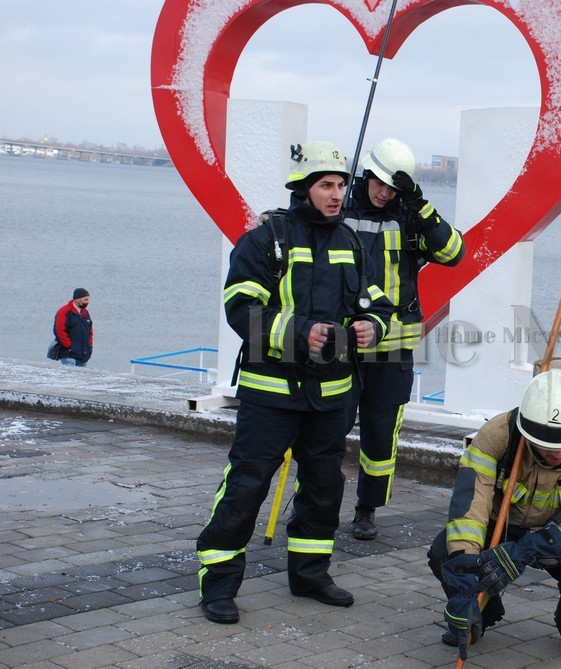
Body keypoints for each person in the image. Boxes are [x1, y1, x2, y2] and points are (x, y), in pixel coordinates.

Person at [195, 141, 393, 625]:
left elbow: (377, 303)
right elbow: (241, 310)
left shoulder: (351, 242)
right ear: (302, 188)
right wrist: (303, 332)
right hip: (271, 394)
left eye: (341, 184)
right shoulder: (265, 239)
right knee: (246, 486)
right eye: (327, 184)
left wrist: (374, 327)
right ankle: (218, 583)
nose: (337, 193)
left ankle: (309, 574)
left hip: (331, 397)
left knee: (324, 488)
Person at [427, 367, 561, 661]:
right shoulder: (497, 434)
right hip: (502, 526)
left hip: (560, 535)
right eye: (543, 443)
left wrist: (532, 547)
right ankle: (480, 609)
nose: (554, 453)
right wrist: (463, 568)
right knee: (445, 553)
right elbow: (471, 508)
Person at [343, 138, 465, 540]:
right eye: (379, 183)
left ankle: (367, 510)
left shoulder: (411, 216)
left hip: (393, 351)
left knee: (381, 433)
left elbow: (453, 251)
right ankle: (318, 502)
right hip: (342, 345)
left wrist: (421, 205)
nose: (384, 193)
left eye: (393, 187)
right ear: (367, 175)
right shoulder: (340, 208)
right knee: (325, 430)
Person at [53, 288, 93, 367]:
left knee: (82, 378)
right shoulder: (64, 311)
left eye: (88, 299)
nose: (88, 302)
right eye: (85, 299)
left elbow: (90, 331)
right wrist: (69, 346)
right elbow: (59, 331)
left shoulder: (85, 312)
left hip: (82, 355)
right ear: (77, 299)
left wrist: (90, 346)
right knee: (70, 377)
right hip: (68, 354)